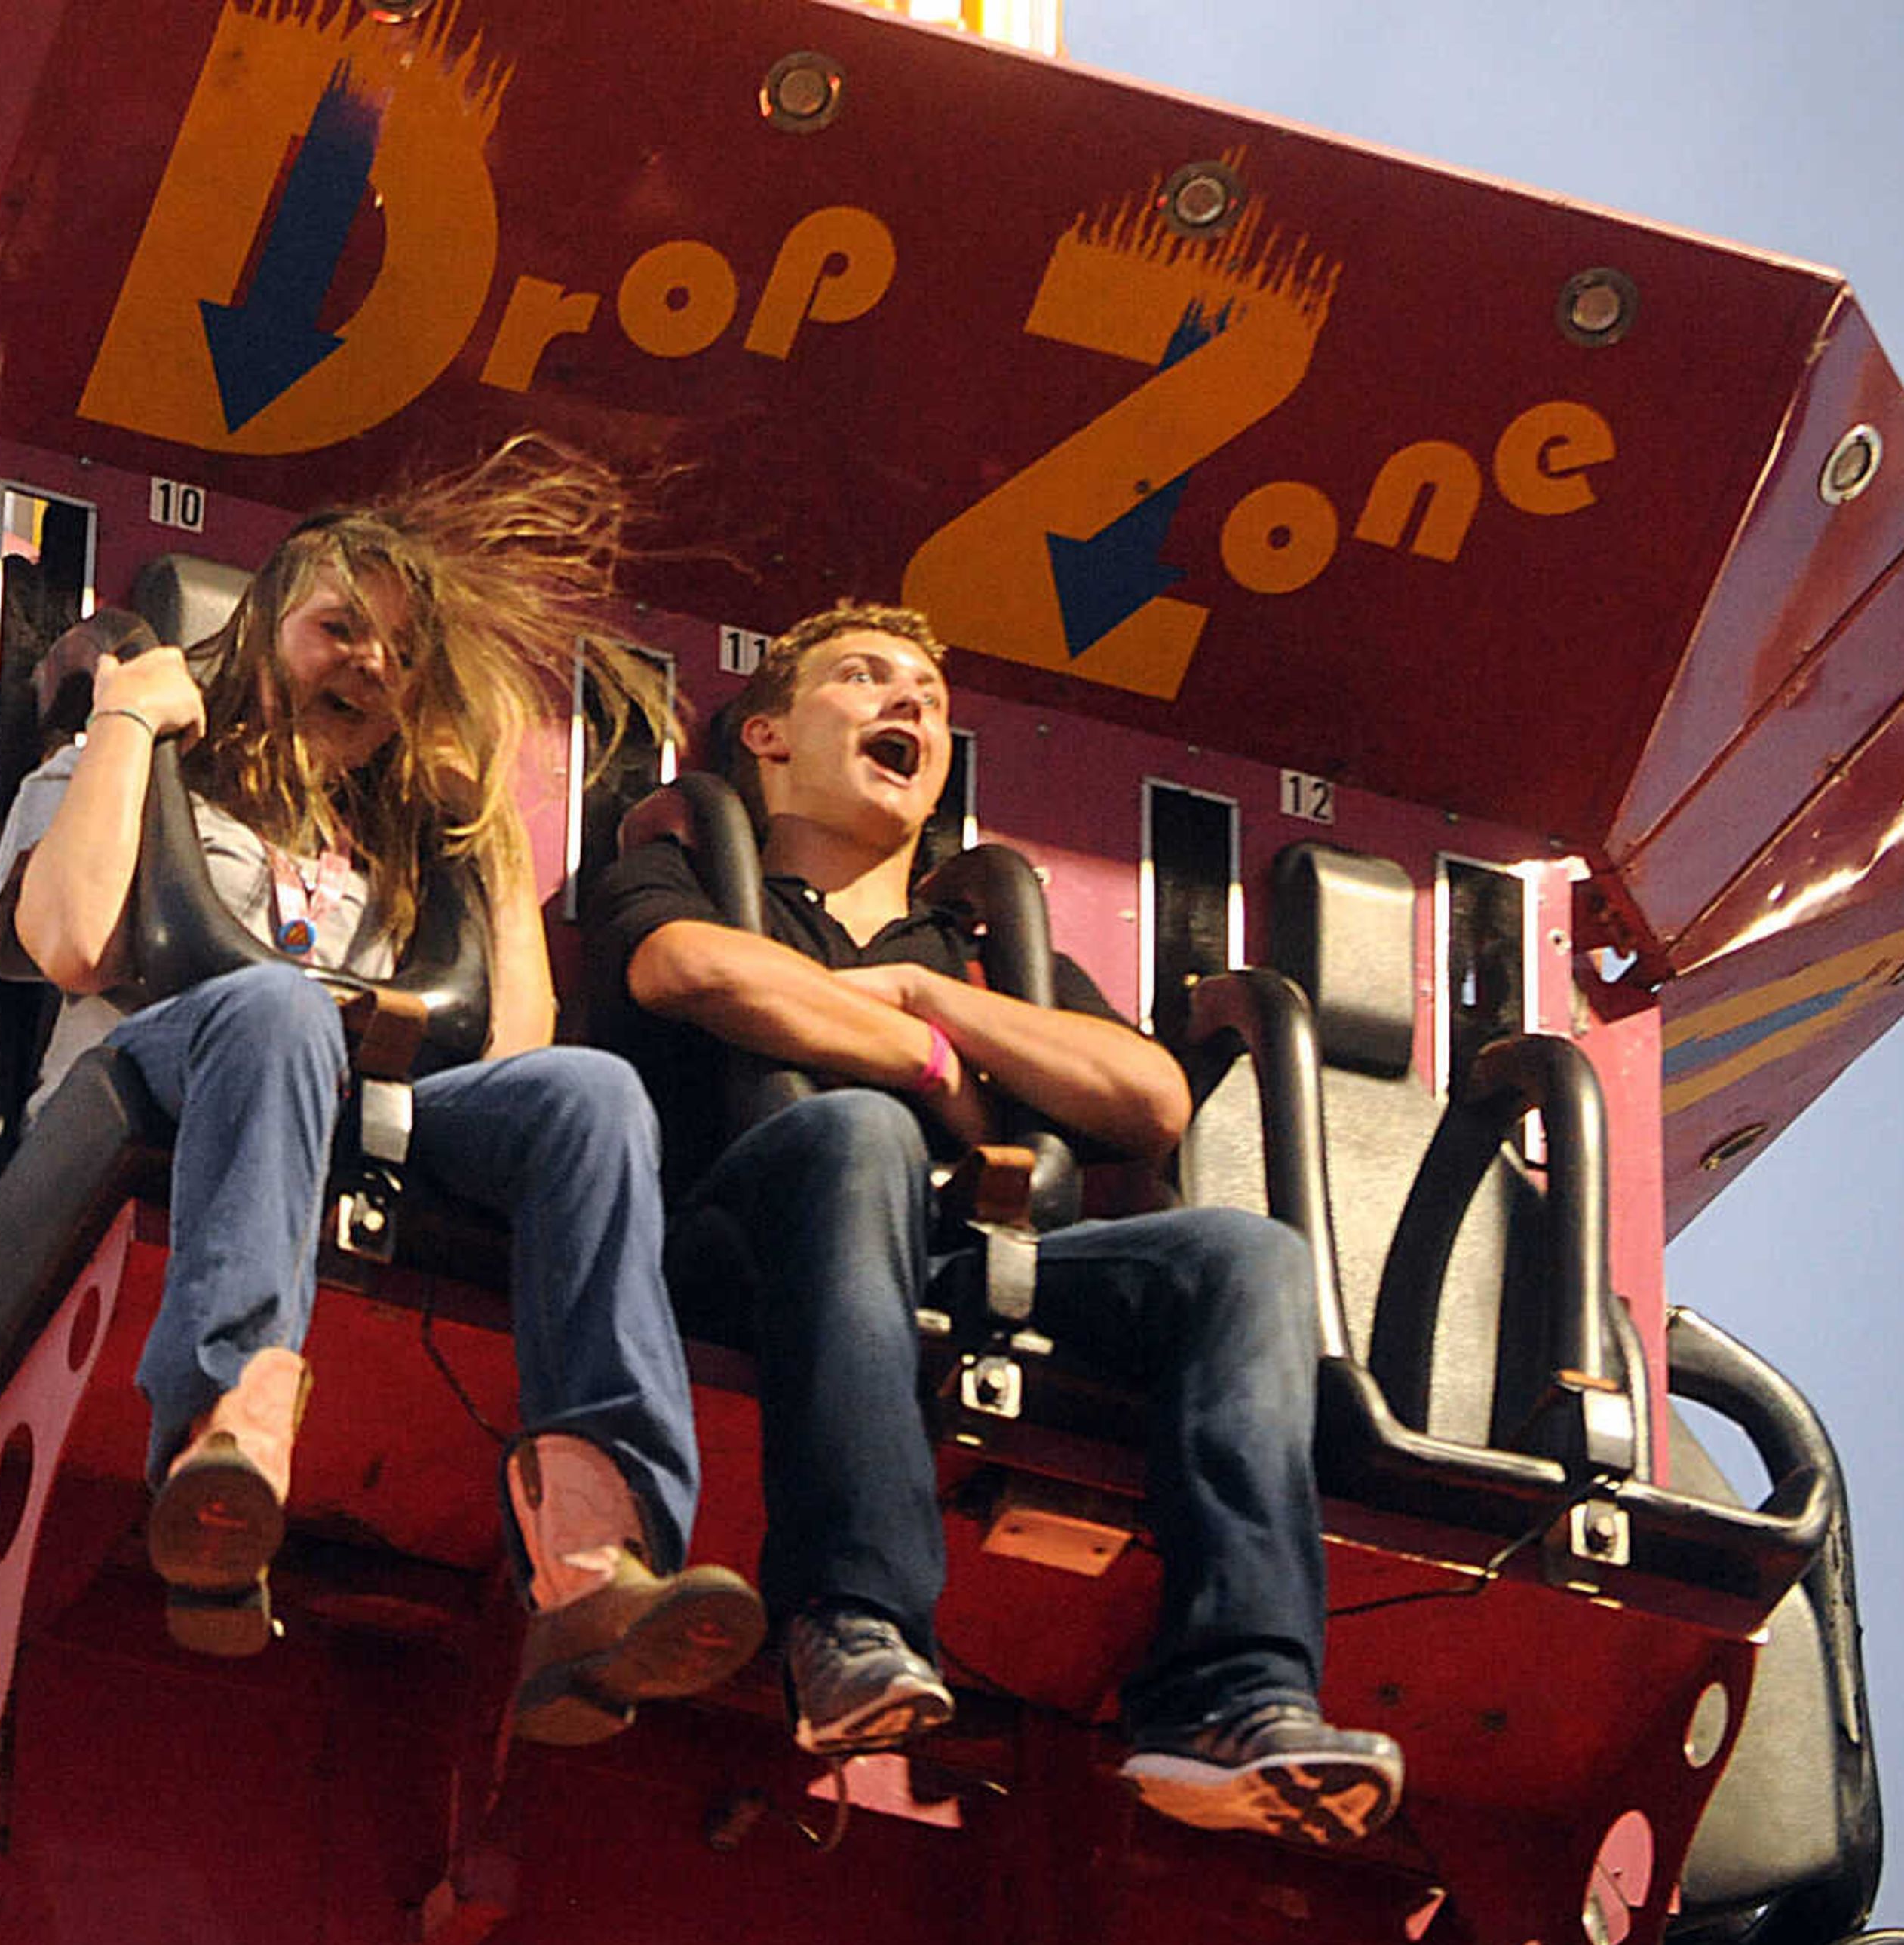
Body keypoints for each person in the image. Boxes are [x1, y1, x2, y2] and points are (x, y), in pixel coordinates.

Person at [581, 600, 1405, 1842]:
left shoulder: (971, 948)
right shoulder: (690, 862)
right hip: (734, 1241)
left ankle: (1234, 1695)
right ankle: (851, 1617)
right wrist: (929, 1063)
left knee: (1245, 1257)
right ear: (765, 735)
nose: (910, 706)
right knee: (854, 1133)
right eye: (866, 679)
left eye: (929, 697)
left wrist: (924, 992)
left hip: (944, 1263)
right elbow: (695, 973)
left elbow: (1147, 1096)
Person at [0, 439, 762, 1746]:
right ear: (255, 640)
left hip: (347, 1105)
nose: (371, 666)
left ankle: (592, 1555)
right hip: (167, 1080)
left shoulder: (393, 849)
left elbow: (513, 1061)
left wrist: (491, 845)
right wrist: (125, 716)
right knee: (284, 1005)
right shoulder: (144, 777)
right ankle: (228, 1432)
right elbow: (66, 942)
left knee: (594, 1100)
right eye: (340, 629)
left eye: (401, 654)